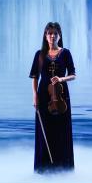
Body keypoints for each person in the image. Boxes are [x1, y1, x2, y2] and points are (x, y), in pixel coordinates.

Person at [29, 22, 75, 173]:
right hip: (43, 96)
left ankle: (63, 168)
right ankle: (43, 168)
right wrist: (35, 96)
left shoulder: (66, 53)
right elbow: (35, 77)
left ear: (59, 36)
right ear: (45, 36)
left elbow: (73, 75)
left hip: (61, 98)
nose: (52, 36)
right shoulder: (39, 54)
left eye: (55, 33)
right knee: (45, 132)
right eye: (49, 33)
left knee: (62, 131)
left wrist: (61, 79)